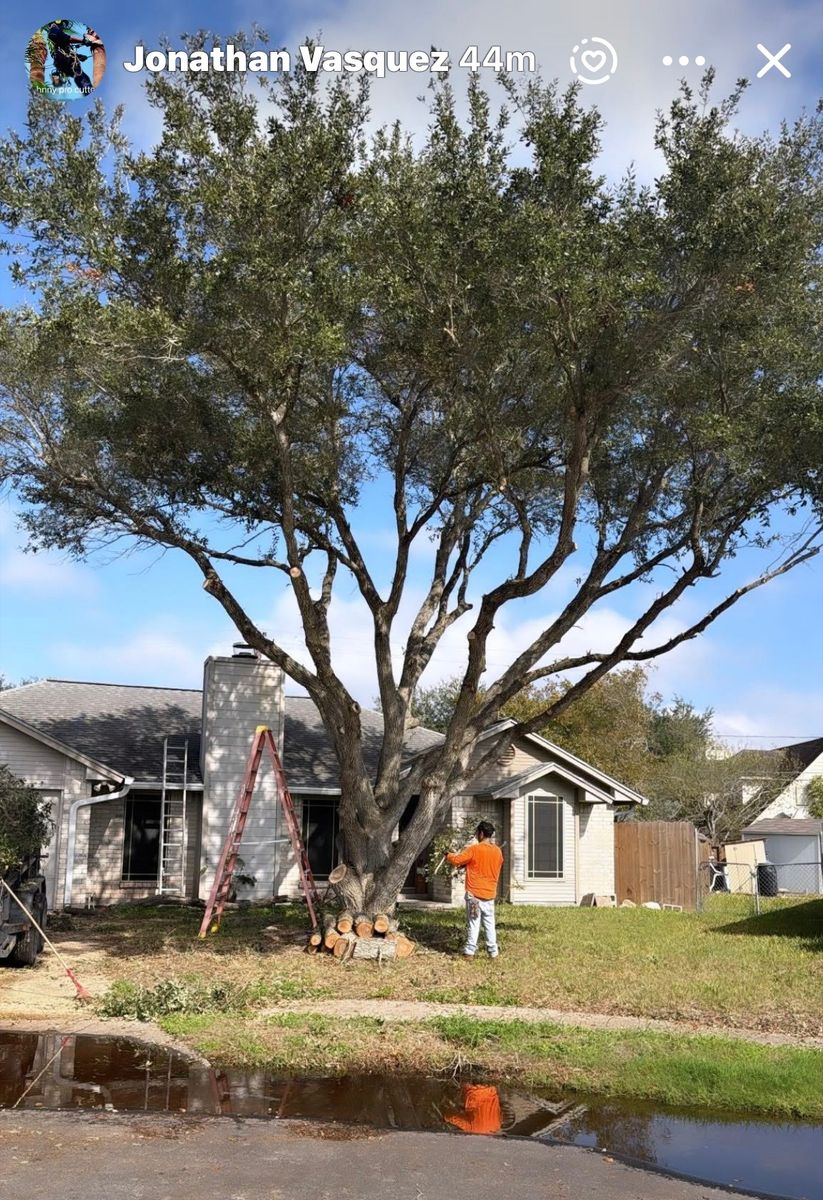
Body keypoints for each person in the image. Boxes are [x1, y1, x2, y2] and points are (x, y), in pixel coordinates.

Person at [446, 820, 503, 958]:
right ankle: (493, 952)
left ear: (481, 833)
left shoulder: (474, 849)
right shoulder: (497, 851)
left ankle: (469, 952)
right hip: (490, 894)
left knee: (474, 922)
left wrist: (448, 855)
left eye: (477, 833)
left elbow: (457, 860)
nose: (476, 835)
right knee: (490, 924)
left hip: (474, 895)